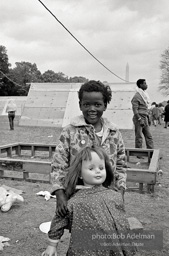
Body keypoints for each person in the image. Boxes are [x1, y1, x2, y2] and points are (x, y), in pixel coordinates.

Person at [50, 80, 127, 217]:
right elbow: (58, 165)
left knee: (105, 231)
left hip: (108, 195)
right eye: (87, 104)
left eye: (97, 104)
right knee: (81, 231)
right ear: (80, 105)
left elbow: (121, 165)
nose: (92, 109)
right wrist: (60, 193)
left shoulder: (114, 133)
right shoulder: (70, 132)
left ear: (105, 106)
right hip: (77, 195)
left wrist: (120, 190)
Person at [42, 147, 137, 256]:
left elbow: (122, 224)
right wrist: (51, 246)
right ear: (80, 174)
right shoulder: (74, 202)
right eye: (91, 168)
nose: (98, 171)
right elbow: (58, 222)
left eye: (101, 167)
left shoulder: (114, 196)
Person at [131, 79, 154, 149]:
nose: (146, 85)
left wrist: (148, 118)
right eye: (145, 83)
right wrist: (139, 119)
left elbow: (146, 108)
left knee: (149, 136)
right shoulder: (136, 96)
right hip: (139, 118)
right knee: (139, 136)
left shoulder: (144, 95)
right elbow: (135, 110)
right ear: (140, 85)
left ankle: (151, 152)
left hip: (145, 117)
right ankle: (138, 153)